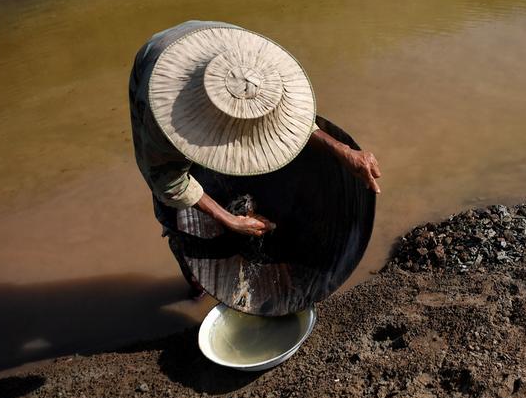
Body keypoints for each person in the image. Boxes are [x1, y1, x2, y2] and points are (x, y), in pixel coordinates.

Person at [128, 20, 381, 297]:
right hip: (160, 65)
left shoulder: (260, 72)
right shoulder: (159, 115)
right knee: (172, 211)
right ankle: (196, 281)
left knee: (254, 136)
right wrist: (230, 220)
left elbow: (290, 121)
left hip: (216, 48)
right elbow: (169, 182)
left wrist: (342, 149)